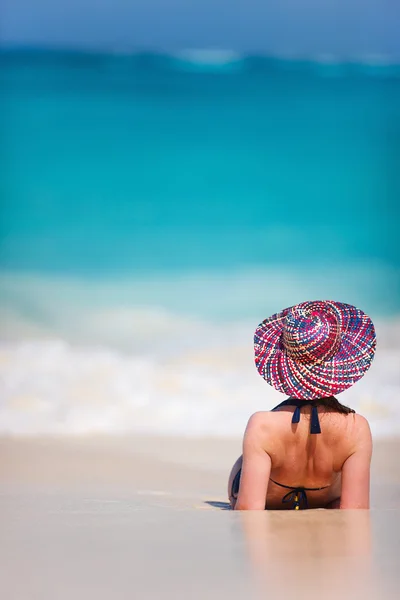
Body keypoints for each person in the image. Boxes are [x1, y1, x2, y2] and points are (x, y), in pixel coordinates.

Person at [228, 300, 376, 510]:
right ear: (339, 365)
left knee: (243, 463)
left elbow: (248, 510)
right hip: (323, 499)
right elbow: (356, 510)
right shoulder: (356, 428)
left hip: (272, 499)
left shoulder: (263, 425)